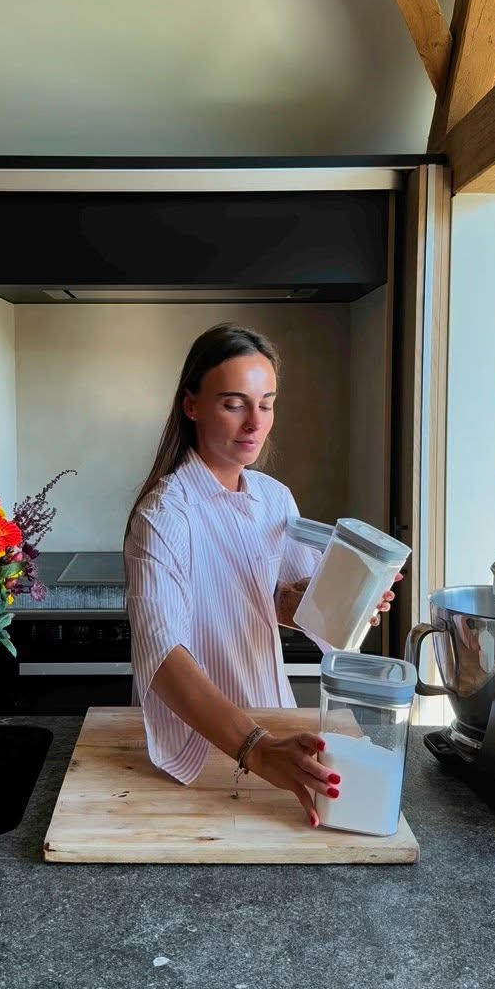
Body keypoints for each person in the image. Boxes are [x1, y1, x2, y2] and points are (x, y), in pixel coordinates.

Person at [123, 322, 399, 828]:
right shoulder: (162, 516)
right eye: (234, 404)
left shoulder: (274, 499)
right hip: (205, 747)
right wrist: (255, 747)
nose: (255, 422)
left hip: (277, 722)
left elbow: (285, 604)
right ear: (191, 405)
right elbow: (162, 658)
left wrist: (353, 601)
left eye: (266, 404)